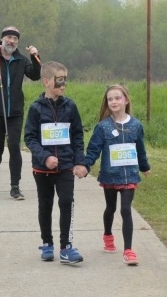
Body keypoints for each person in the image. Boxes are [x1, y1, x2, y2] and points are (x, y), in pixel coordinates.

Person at [24, 61, 88, 264]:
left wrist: (80, 162)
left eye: (65, 80)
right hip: (42, 168)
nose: (63, 85)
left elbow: (77, 135)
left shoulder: (70, 106)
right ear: (46, 82)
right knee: (45, 205)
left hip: (66, 167)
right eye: (59, 80)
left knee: (66, 202)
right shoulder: (36, 108)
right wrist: (45, 157)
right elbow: (30, 138)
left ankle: (66, 247)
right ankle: (47, 243)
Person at [83, 84, 151, 266]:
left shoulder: (136, 125)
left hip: (130, 175)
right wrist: (85, 166)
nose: (113, 101)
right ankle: (107, 235)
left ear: (126, 100)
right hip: (110, 176)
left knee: (126, 209)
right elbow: (93, 150)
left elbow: (140, 149)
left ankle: (128, 250)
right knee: (111, 208)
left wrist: (145, 167)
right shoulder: (103, 127)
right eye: (110, 99)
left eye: (117, 98)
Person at [0, 26, 41, 200]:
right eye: (9, 38)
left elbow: (35, 75)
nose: (11, 41)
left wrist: (35, 58)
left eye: (15, 38)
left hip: (15, 111)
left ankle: (15, 187)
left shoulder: (21, 59)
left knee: (14, 146)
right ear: (2, 39)